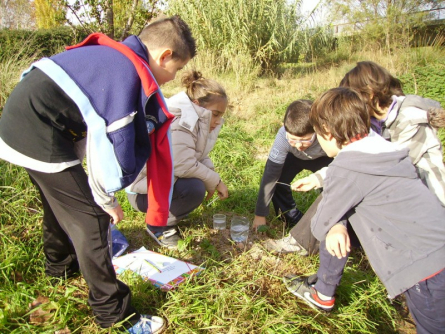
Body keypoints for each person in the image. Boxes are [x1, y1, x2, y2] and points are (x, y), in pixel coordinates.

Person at [0, 15, 196, 333]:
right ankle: (114, 314)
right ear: (164, 56)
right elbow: (108, 150)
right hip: (38, 134)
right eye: (174, 71)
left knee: (59, 205)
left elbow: (87, 124)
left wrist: (90, 187)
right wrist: (105, 201)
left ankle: (59, 271)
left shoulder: (114, 55)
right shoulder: (127, 75)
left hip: (20, 123)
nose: (170, 80)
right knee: (91, 220)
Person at [283, 87, 445, 333]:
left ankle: (322, 293)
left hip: (425, 271)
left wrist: (335, 223)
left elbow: (319, 226)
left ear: (326, 132)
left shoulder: (345, 167)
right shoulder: (384, 147)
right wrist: (338, 220)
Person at [273, 60, 445, 255]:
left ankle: (310, 249)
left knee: (342, 191)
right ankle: (311, 249)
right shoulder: (375, 122)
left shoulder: (408, 120)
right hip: (395, 193)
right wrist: (318, 178)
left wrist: (331, 180)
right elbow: (360, 159)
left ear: (369, 95)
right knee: (340, 190)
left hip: (430, 204)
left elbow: (374, 165)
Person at [126, 70, 229, 248]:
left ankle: (170, 210)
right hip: (142, 192)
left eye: (221, 115)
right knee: (194, 188)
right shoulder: (181, 122)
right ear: (198, 105)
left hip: (156, 186)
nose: (219, 120)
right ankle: (158, 224)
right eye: (216, 114)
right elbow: (183, 165)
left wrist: (211, 176)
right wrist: (216, 181)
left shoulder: (196, 119)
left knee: (197, 183)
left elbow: (197, 156)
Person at [251, 100, 332, 253]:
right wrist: (260, 214)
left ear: (317, 129)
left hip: (324, 159)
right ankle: (292, 218)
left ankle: (322, 227)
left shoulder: (327, 135)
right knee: (278, 182)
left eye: (305, 140)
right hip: (292, 158)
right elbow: (270, 175)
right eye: (293, 140)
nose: (299, 145)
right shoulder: (283, 137)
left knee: (331, 190)